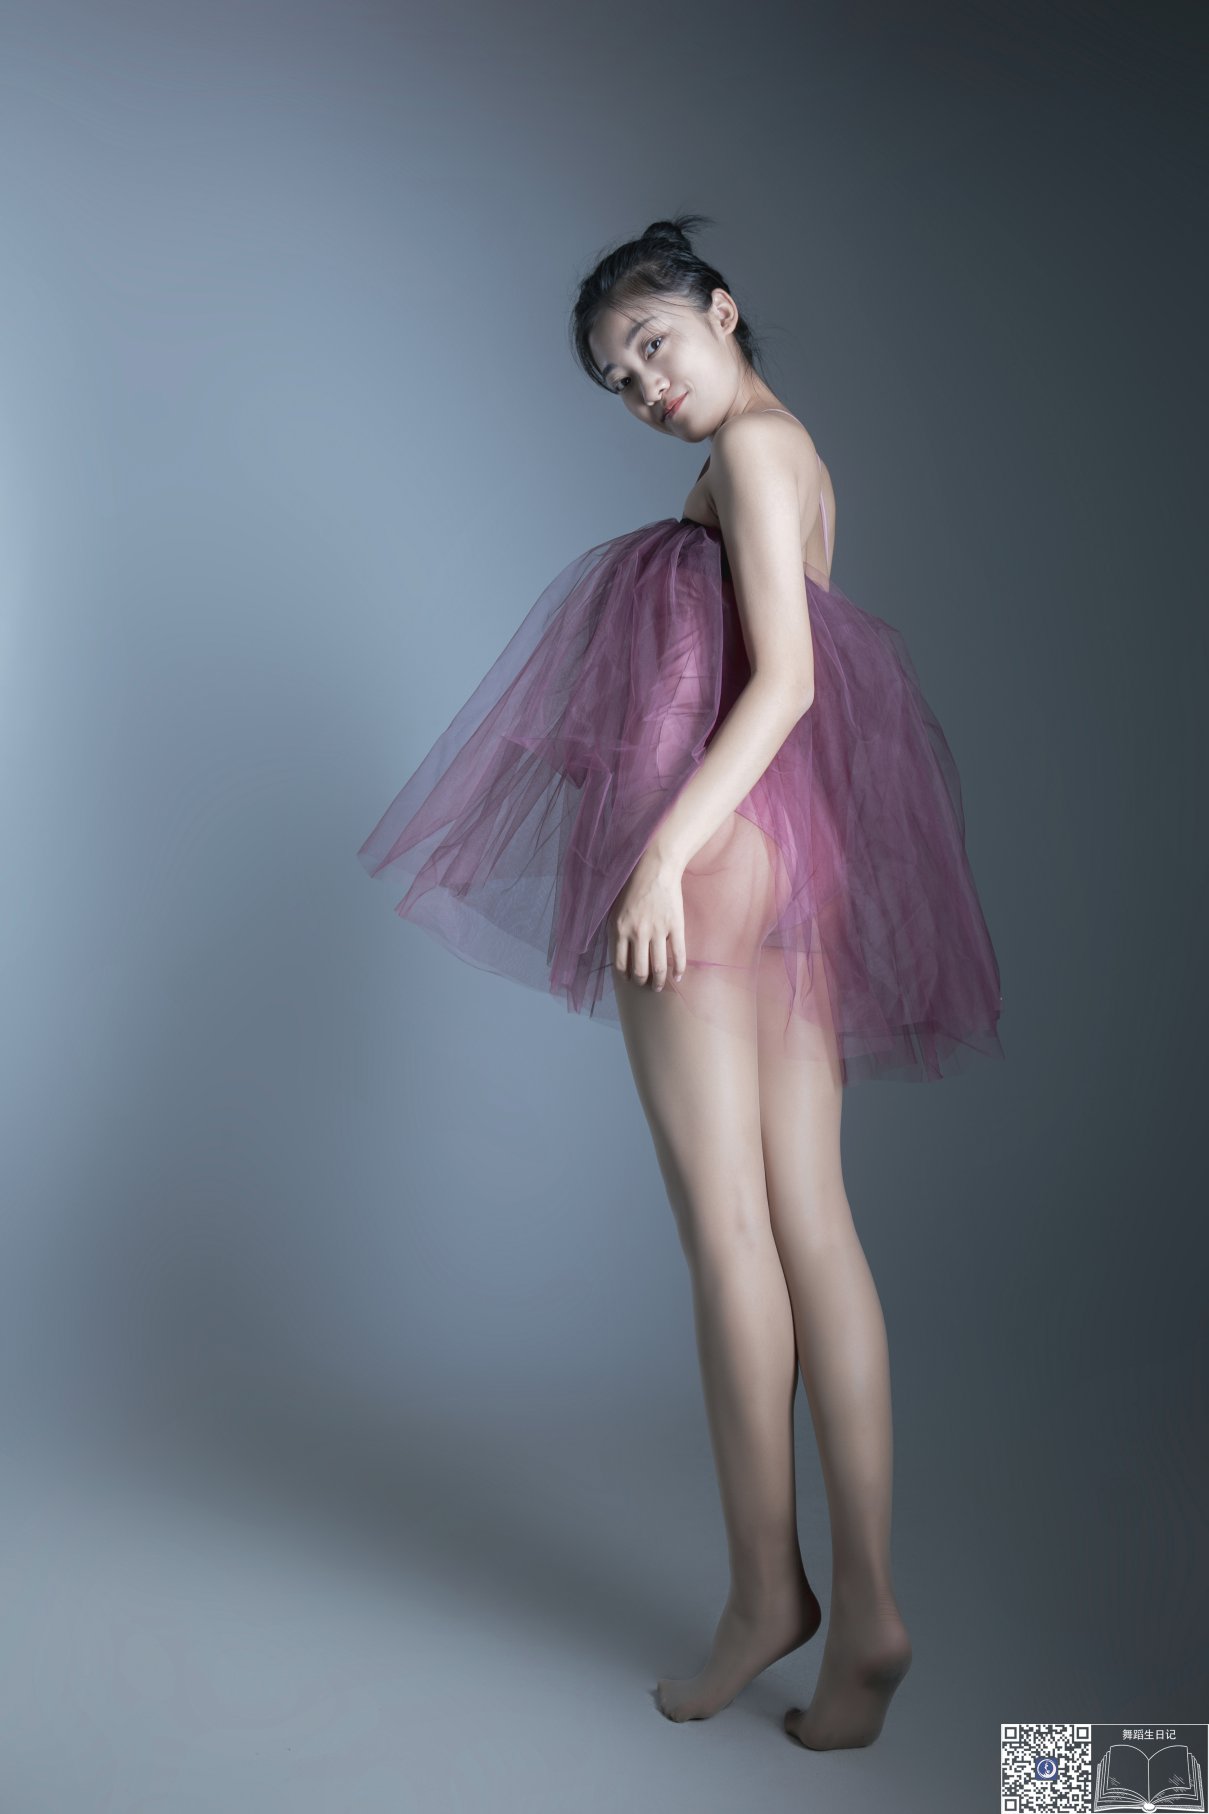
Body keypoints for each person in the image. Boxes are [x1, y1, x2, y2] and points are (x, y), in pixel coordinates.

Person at [357, 212, 1004, 1747]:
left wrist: (656, 857)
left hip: (715, 853)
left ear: (721, 309)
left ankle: (764, 1597)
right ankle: (865, 1613)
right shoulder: (793, 452)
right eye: (617, 377)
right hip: (793, 856)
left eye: (651, 344)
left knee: (731, 1231)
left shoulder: (754, 453)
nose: (643, 385)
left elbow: (783, 681)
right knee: (809, 1223)